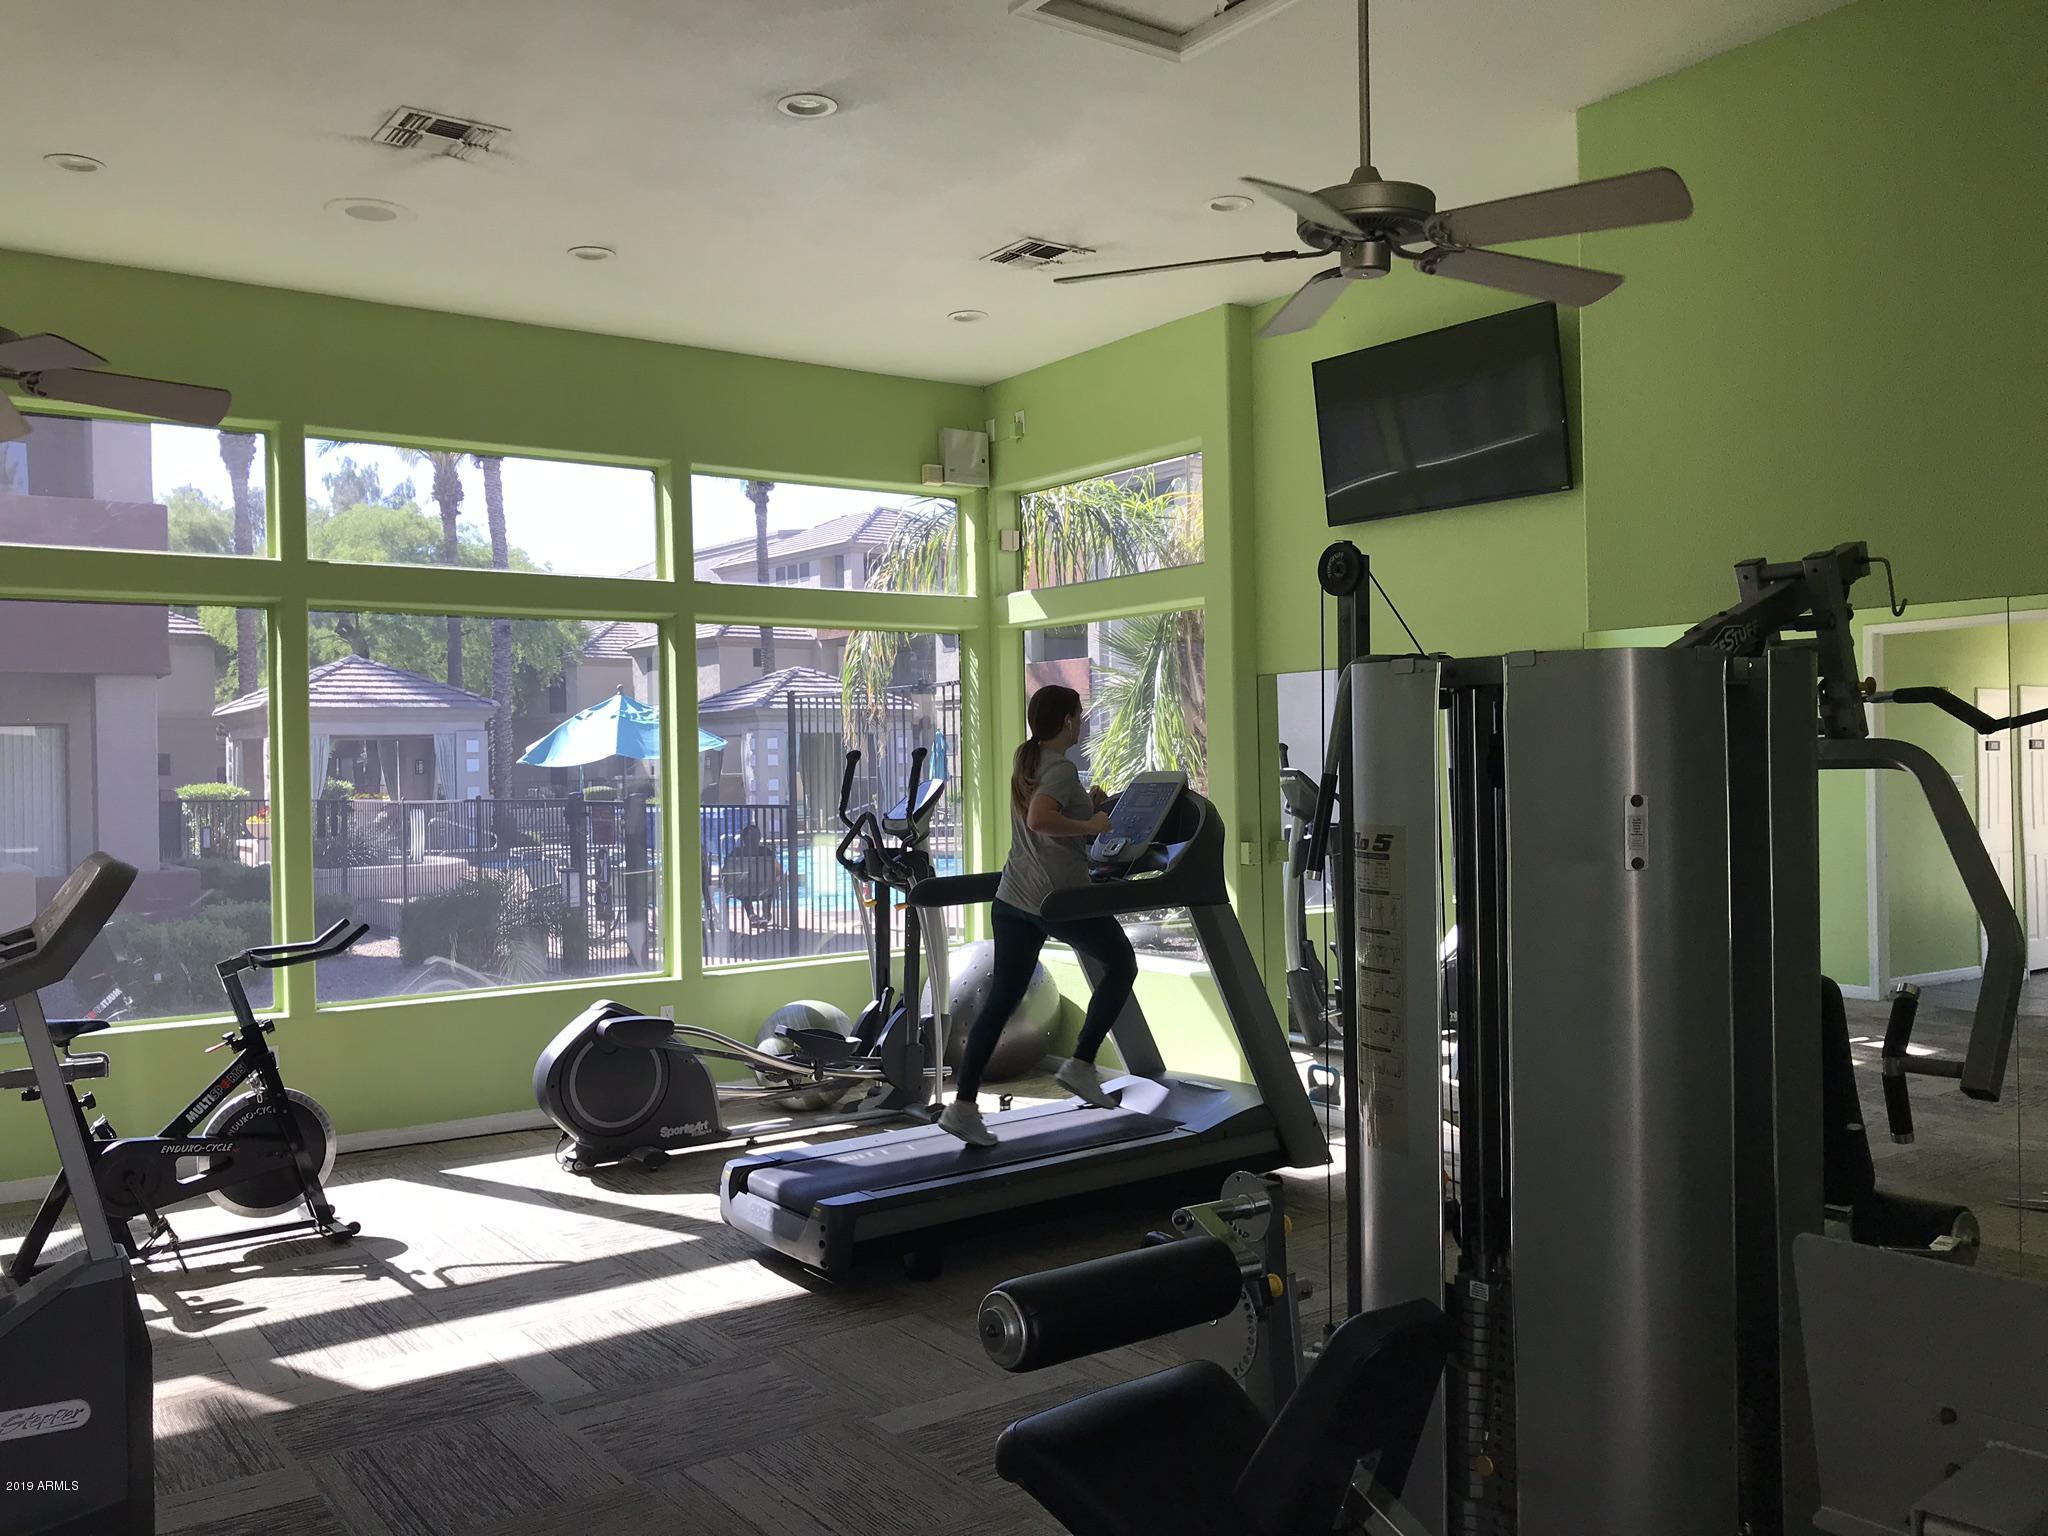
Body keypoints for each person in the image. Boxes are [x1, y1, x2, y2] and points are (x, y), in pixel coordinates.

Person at [938, 684, 1139, 1146]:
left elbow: (1048, 811)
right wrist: (1089, 823)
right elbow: (1040, 820)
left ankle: (963, 1107)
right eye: (1079, 714)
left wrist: (1090, 804)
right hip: (1056, 901)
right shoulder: (1061, 768)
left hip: (1013, 900)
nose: (1082, 720)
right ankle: (1082, 1063)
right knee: (1122, 963)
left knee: (1002, 1000)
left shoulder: (1028, 759)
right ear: (1068, 720)